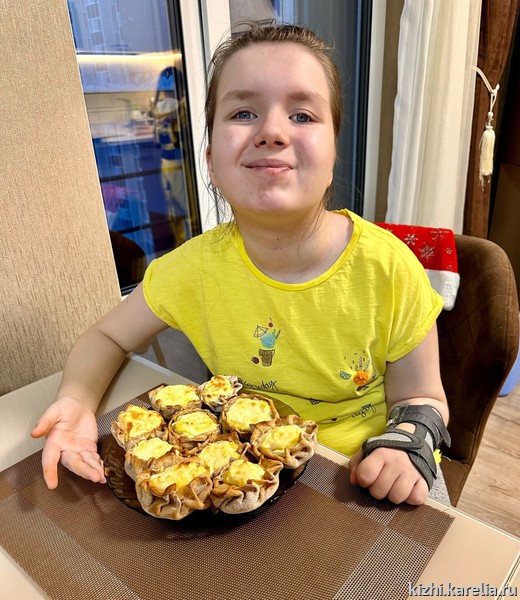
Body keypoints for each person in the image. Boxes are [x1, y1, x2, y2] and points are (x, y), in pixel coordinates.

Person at [32, 24, 449, 506]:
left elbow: (423, 399)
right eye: (243, 112)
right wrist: (76, 401)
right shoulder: (191, 270)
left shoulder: (389, 268)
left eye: (302, 114)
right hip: (239, 479)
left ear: (334, 153)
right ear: (211, 160)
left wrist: (405, 445)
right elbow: (105, 336)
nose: (272, 132)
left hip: (363, 478)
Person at [150, 66, 190, 245]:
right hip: (178, 162)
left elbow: (155, 138)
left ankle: (181, 242)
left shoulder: (158, 108)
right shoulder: (179, 107)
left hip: (166, 161)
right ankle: (188, 243)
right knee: (185, 207)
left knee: (173, 206)